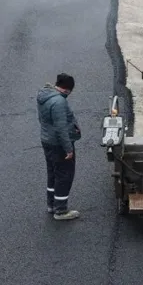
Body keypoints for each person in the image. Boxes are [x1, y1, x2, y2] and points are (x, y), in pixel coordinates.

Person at [37, 74, 82, 221]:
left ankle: (51, 205)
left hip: (47, 141)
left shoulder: (45, 96)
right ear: (67, 90)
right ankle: (61, 210)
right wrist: (68, 149)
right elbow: (61, 128)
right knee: (64, 176)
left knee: (53, 173)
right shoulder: (59, 102)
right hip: (59, 145)